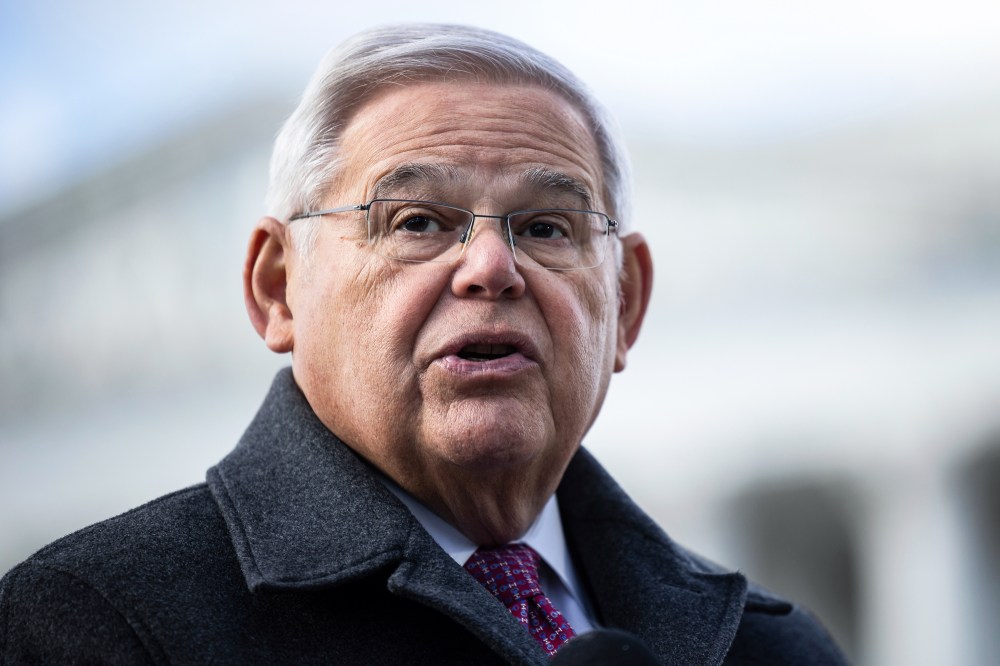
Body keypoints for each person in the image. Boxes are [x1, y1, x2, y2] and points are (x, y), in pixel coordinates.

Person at [0, 24, 848, 665]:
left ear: (624, 303)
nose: (491, 266)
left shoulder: (776, 649)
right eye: (416, 222)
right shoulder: (95, 624)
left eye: (546, 226)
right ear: (275, 288)